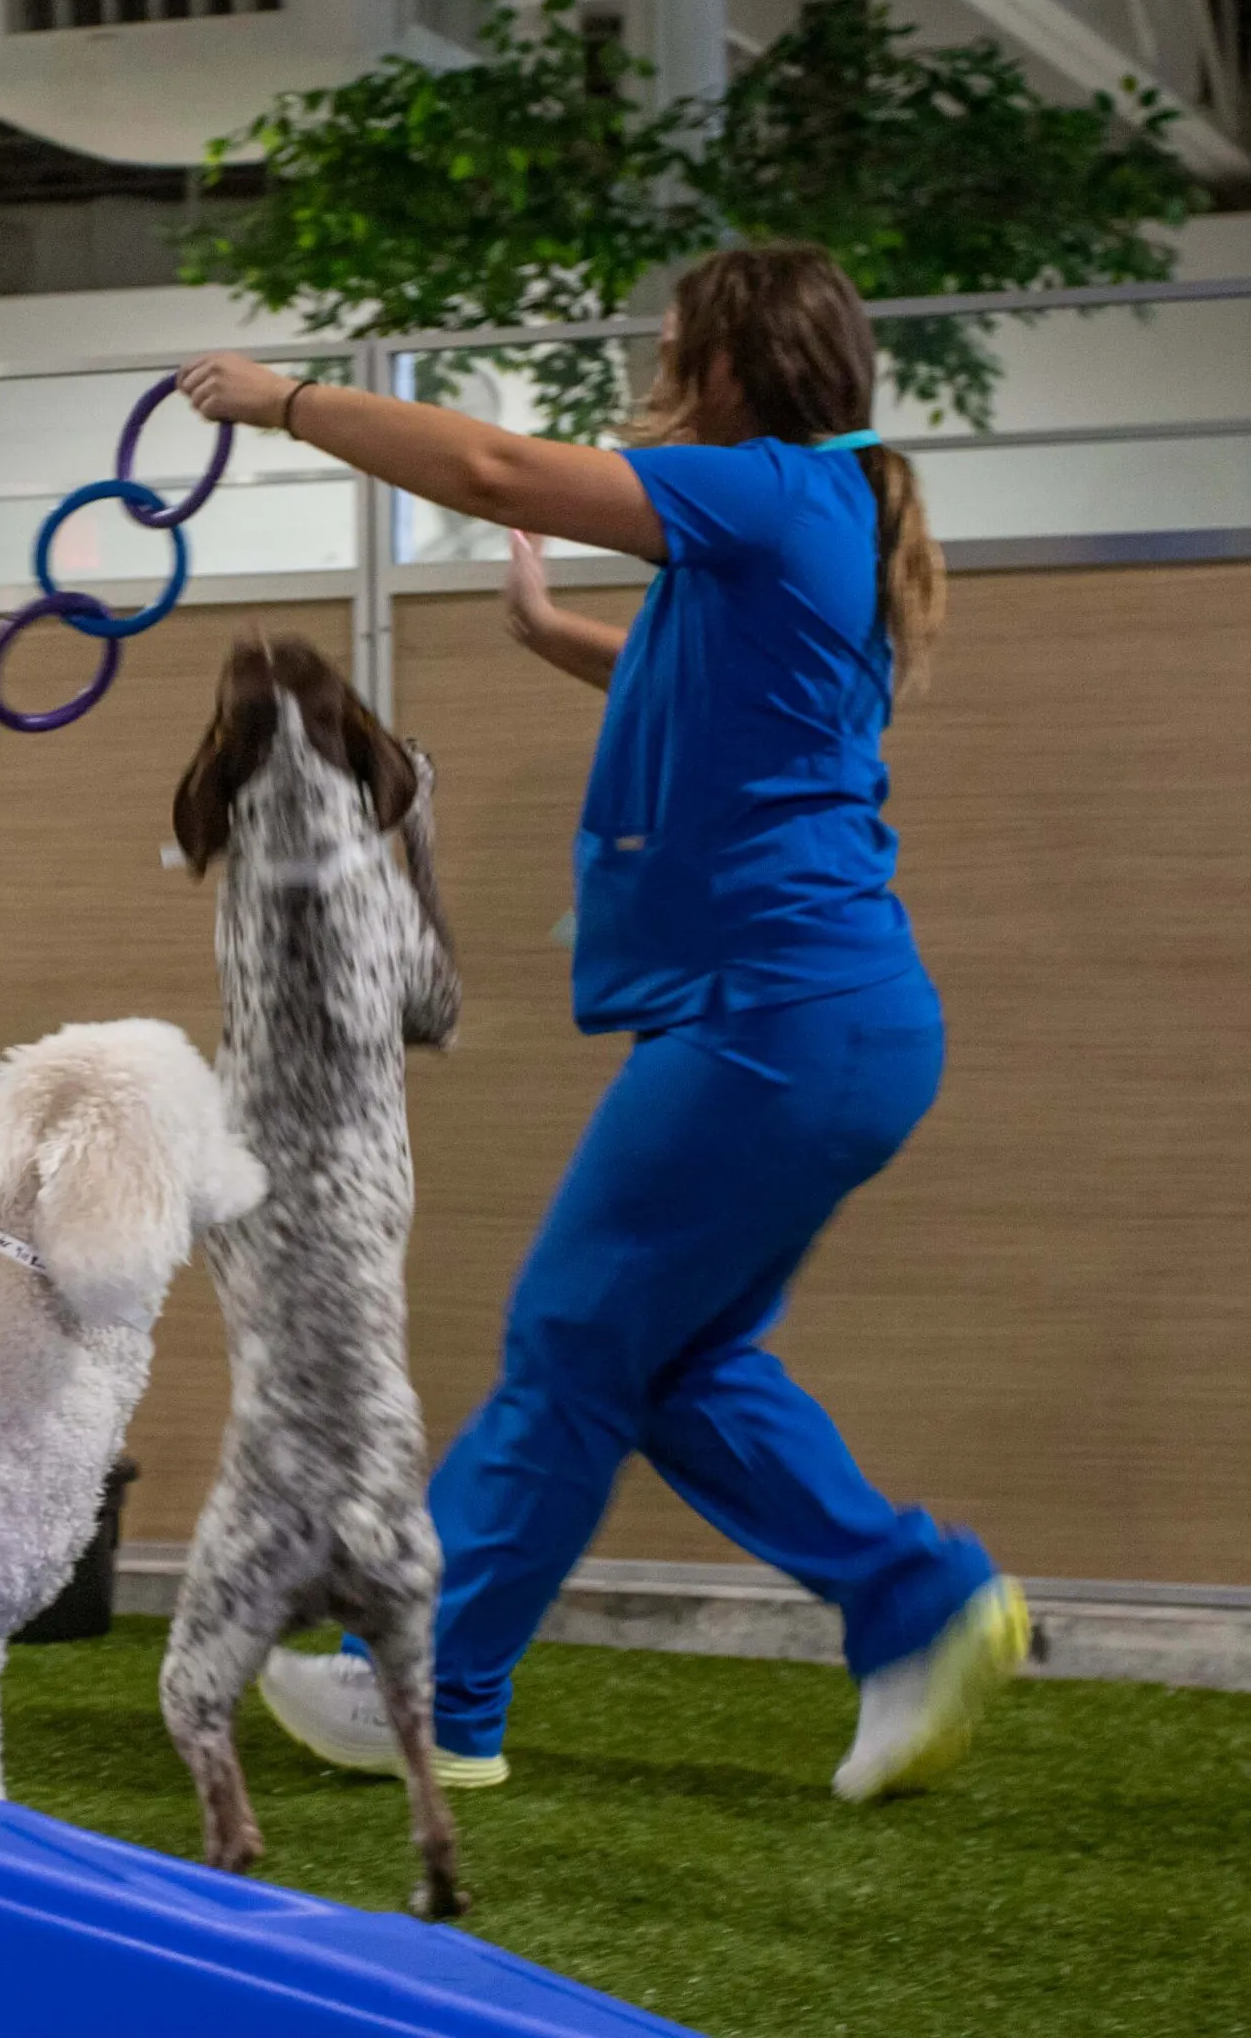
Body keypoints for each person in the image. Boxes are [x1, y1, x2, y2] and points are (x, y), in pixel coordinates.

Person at [175, 242, 1027, 1802]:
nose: (655, 370)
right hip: (826, 1019)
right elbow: (713, 707)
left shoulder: (767, 487)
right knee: (676, 1360)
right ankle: (917, 1601)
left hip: (772, 1019)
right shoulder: (814, 516)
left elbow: (499, 463)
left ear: (730, 364)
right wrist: (548, 636)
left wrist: (283, 398)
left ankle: (429, 1687)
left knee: (571, 1339)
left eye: (671, 346)